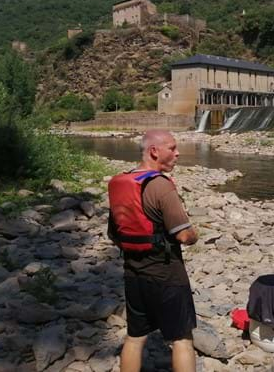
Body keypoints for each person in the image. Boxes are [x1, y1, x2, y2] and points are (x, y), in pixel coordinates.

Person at [107, 129, 199, 372]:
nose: (178, 153)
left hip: (133, 274)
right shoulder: (160, 185)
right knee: (181, 339)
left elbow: (114, 234)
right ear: (154, 151)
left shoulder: (120, 183)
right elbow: (184, 235)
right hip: (166, 275)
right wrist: (195, 234)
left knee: (135, 337)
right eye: (172, 148)